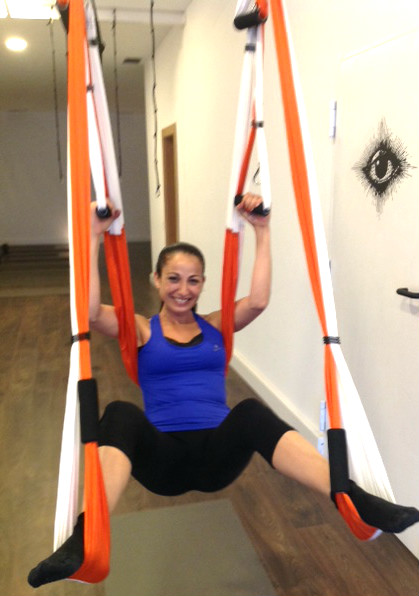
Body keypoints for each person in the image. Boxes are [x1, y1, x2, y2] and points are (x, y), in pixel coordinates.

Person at [28, 194, 419, 588]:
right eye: (174, 278)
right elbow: (90, 313)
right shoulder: (142, 329)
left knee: (249, 410)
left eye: (193, 280)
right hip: (164, 460)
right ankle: (85, 536)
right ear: (156, 280)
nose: (183, 289)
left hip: (216, 456)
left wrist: (262, 230)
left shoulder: (217, 326)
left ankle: (351, 497)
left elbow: (259, 301)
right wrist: (93, 236)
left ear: (203, 283)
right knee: (119, 413)